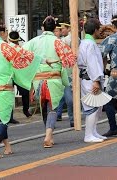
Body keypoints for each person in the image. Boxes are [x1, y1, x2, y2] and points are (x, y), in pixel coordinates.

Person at [0, 21, 41, 160]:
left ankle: (7, 147)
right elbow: (27, 57)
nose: (6, 34)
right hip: (3, 88)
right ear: (1, 33)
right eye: (5, 31)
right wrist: (43, 60)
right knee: (4, 119)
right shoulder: (6, 47)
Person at [23, 16, 76, 148]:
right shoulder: (58, 42)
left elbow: (22, 54)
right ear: (54, 28)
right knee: (53, 108)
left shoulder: (33, 42)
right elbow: (69, 61)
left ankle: (48, 134)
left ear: (42, 28)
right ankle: (48, 135)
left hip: (38, 80)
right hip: (54, 79)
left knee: (44, 107)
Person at [78, 18, 107, 143]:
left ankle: (93, 132)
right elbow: (92, 63)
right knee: (92, 107)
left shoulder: (86, 42)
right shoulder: (89, 44)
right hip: (90, 78)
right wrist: (96, 80)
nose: (100, 31)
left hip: (90, 77)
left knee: (97, 107)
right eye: (99, 29)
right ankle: (88, 134)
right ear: (95, 30)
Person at [8, 30, 32, 118]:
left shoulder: (6, 48)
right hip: (18, 74)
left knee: (9, 95)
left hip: (8, 75)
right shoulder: (20, 49)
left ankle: (10, 116)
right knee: (25, 91)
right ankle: (26, 110)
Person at [56, 22, 75, 127]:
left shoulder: (67, 39)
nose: (61, 30)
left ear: (68, 28)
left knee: (67, 96)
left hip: (68, 70)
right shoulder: (65, 39)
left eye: (63, 28)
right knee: (64, 94)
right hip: (64, 70)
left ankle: (71, 118)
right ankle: (60, 114)